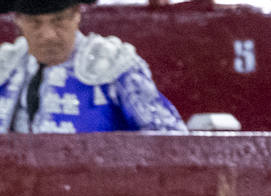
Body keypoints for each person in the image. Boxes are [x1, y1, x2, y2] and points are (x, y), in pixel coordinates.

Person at [0, 0, 186, 133]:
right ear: (18, 20)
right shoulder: (6, 66)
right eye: (35, 23)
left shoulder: (114, 64)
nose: (48, 34)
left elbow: (169, 138)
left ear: (77, 15)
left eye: (59, 20)